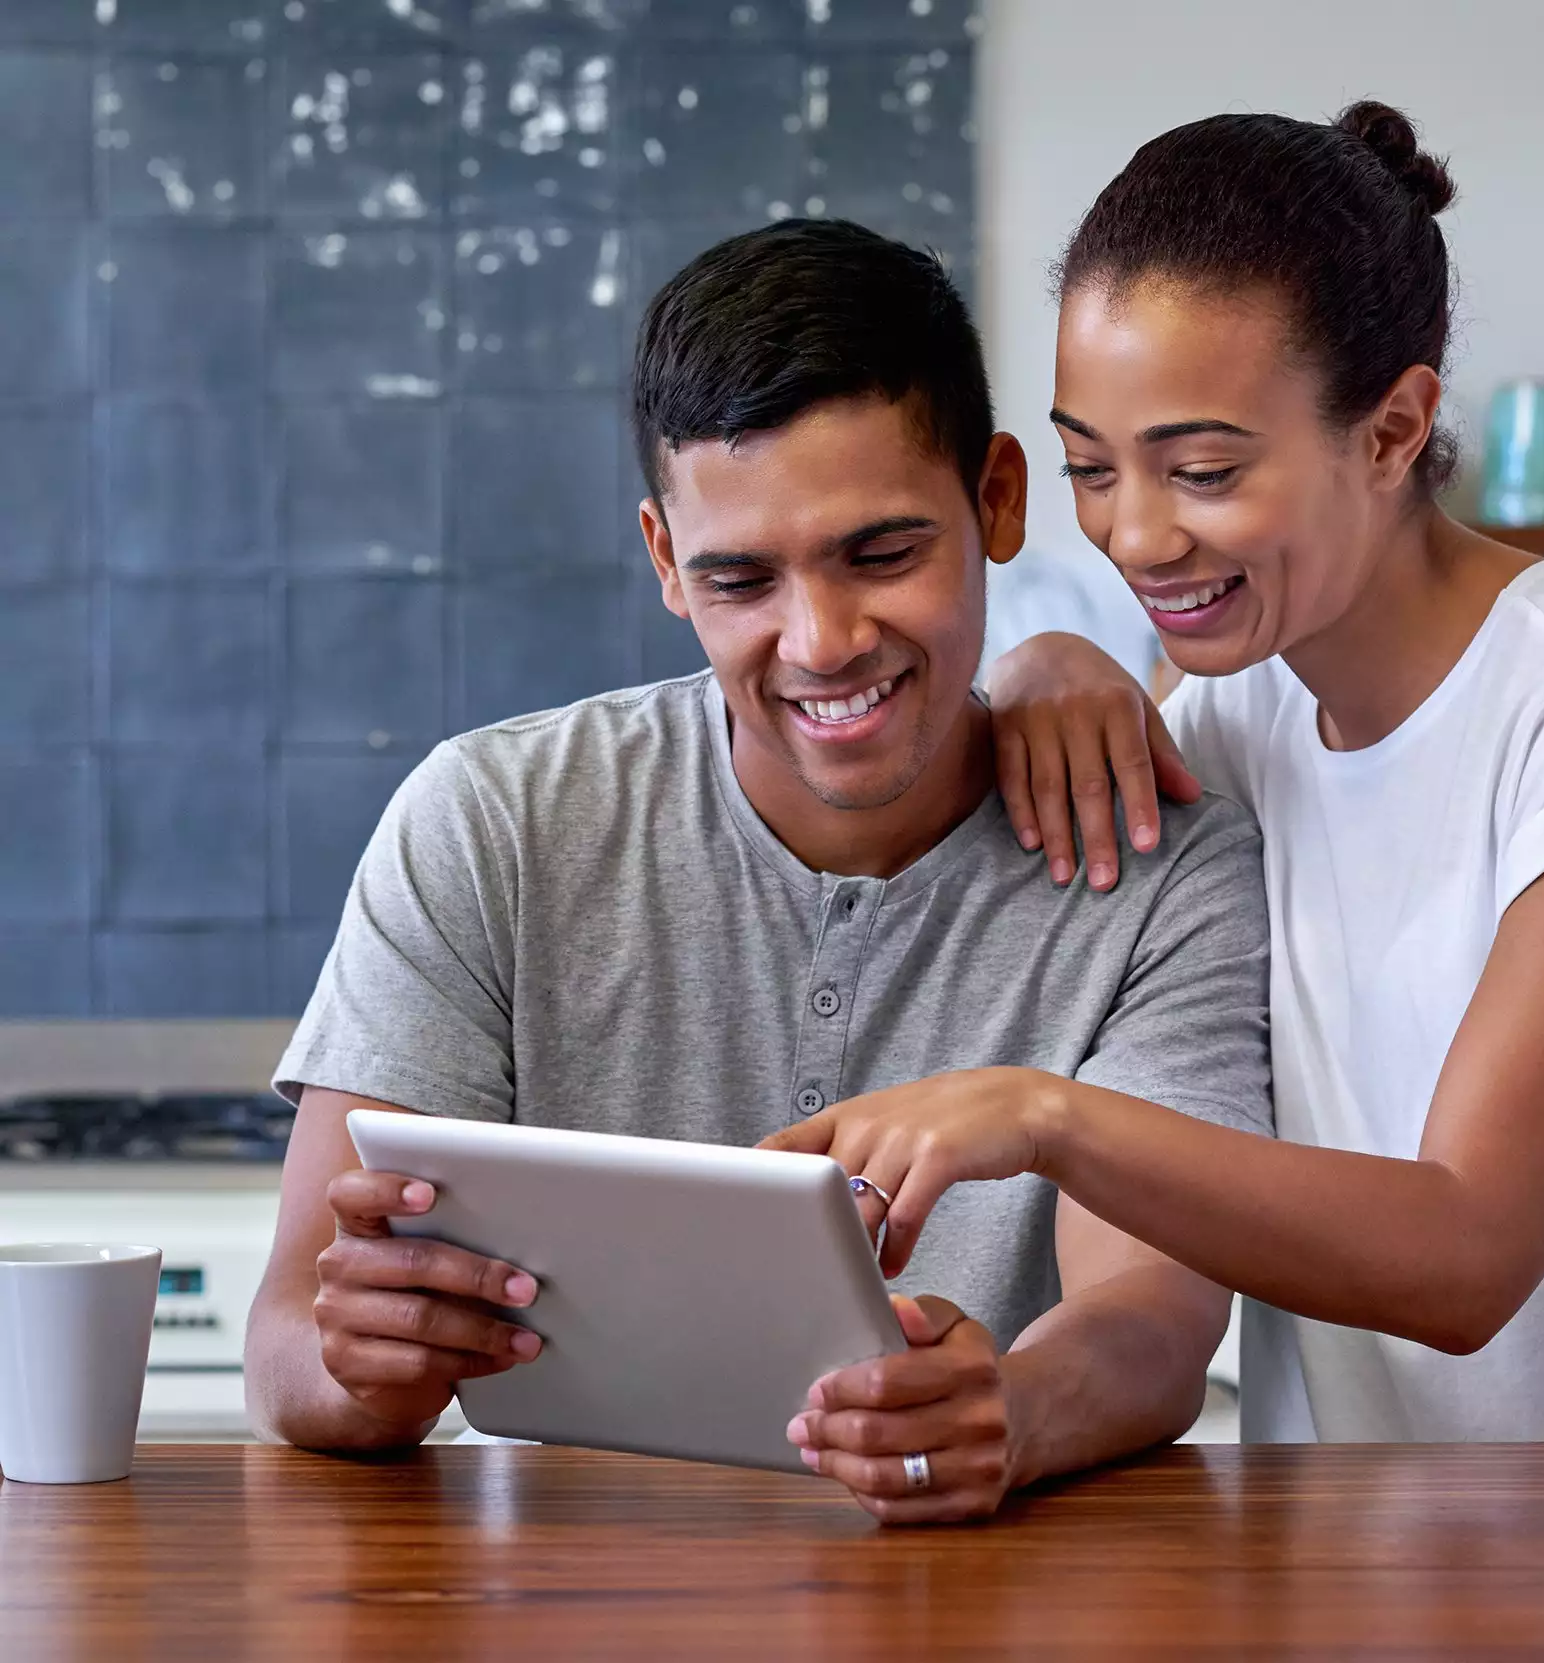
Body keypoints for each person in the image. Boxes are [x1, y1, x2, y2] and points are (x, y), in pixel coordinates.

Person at [765, 106, 1544, 1444]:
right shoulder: (1231, 703)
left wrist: (1046, 1115)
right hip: (1380, 1568)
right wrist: (1054, 658)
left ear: (1395, 429)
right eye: (1090, 469)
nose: (1139, 533)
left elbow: (1467, 1252)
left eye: (1206, 469)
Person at [244, 220, 1274, 1522]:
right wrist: (363, 1374)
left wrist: (1009, 1410)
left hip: (975, 1595)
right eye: (740, 577)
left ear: (998, 498)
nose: (823, 640)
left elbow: (1153, 1315)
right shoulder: (490, 821)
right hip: (558, 1597)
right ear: (667, 560)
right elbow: (287, 1338)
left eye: (882, 554)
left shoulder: (1163, 861)